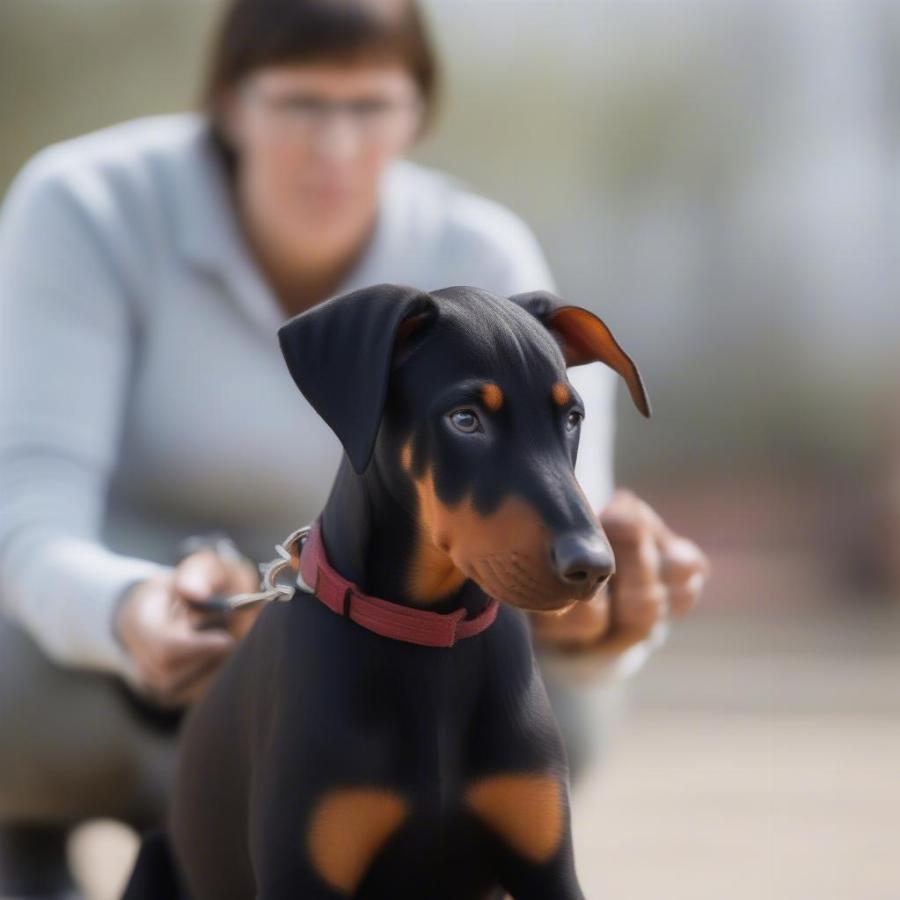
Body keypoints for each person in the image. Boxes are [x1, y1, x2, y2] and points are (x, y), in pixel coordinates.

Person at [0, 0, 709, 895]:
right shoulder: (88, 206)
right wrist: (131, 608)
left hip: (391, 641)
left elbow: (556, 518)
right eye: (300, 102)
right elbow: (27, 516)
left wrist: (618, 613)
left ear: (417, 113)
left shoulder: (481, 252)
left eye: (370, 105)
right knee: (10, 669)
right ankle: (38, 825)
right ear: (227, 101)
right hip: (147, 642)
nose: (335, 145)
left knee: (561, 697)